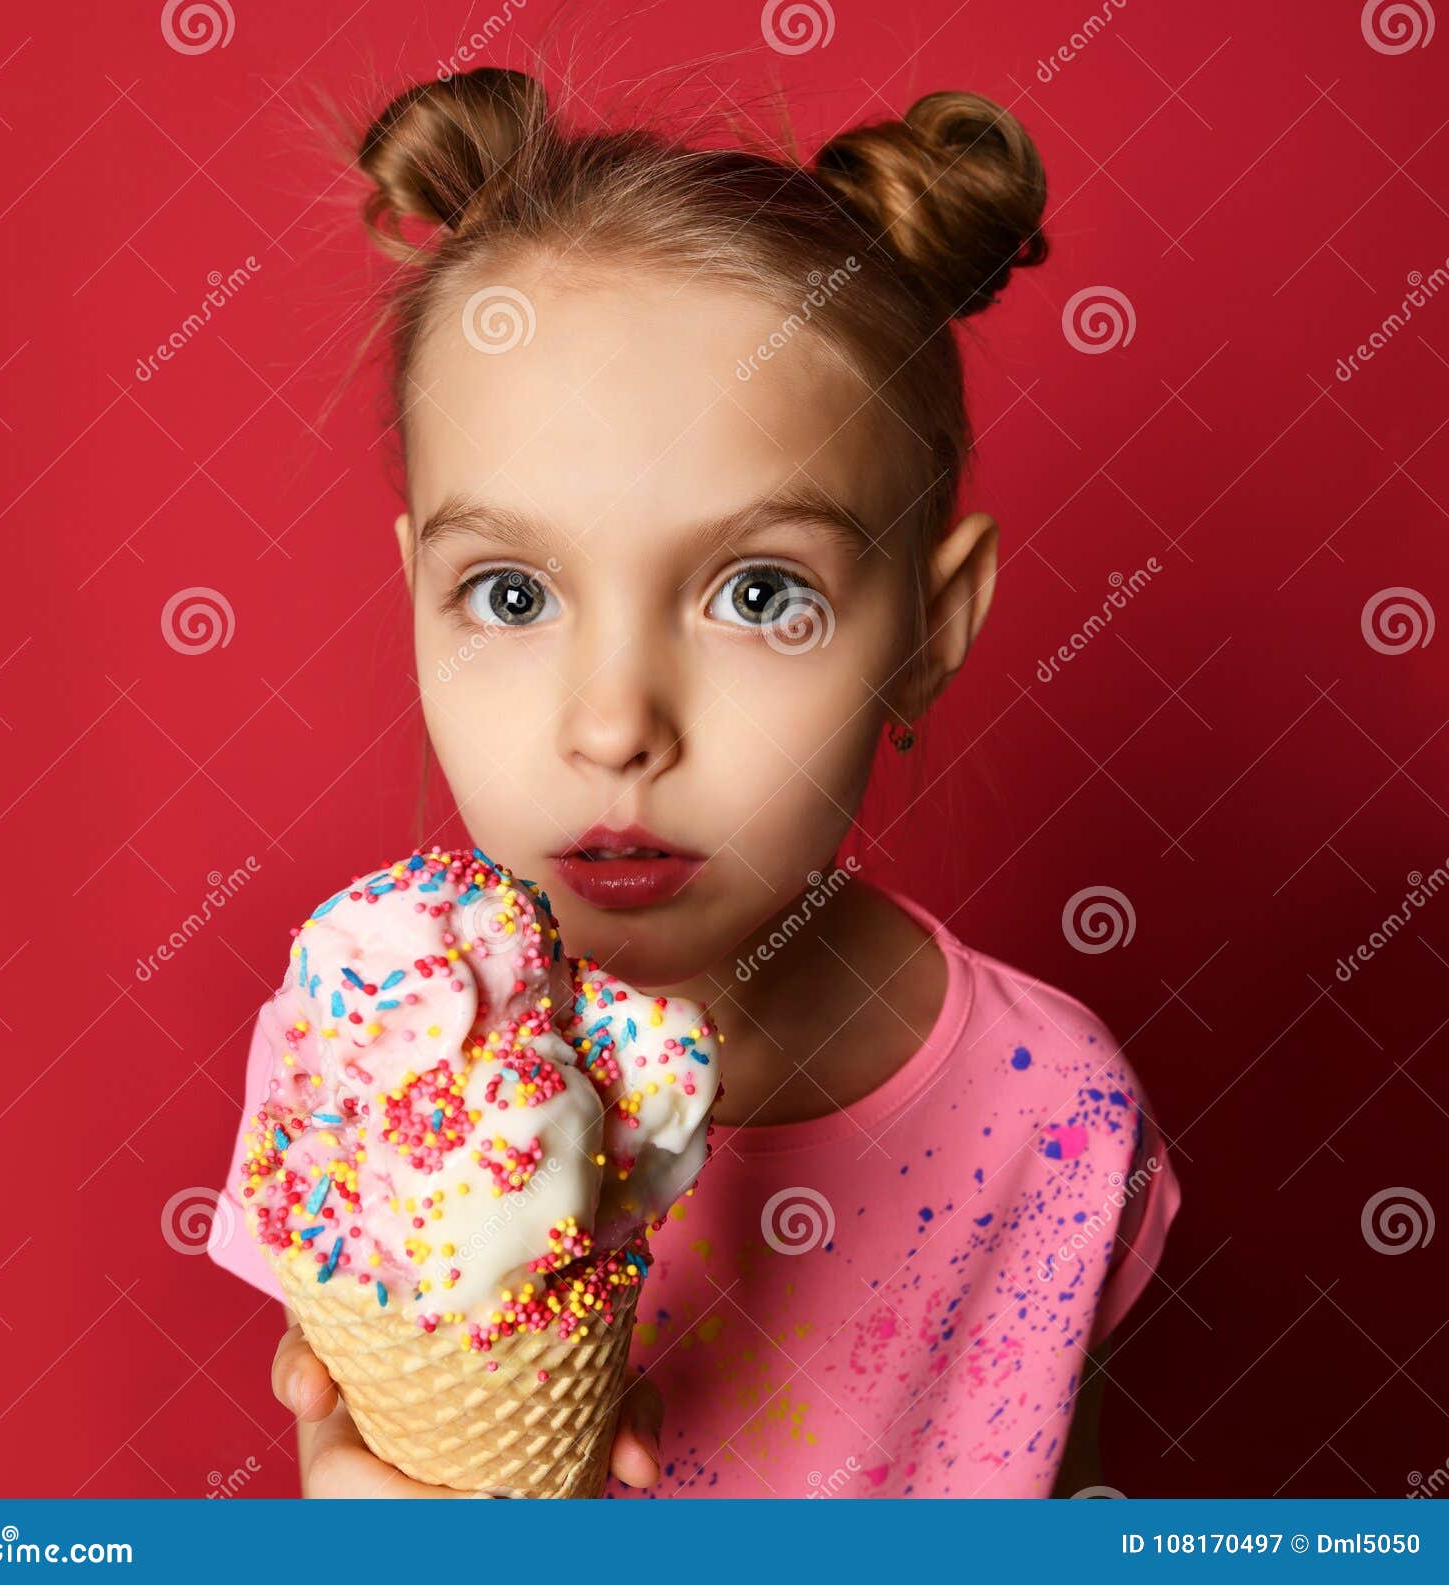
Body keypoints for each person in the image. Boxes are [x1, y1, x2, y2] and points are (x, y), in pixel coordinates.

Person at [211, 61, 1181, 1498]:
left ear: (931, 625)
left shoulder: (1060, 1118)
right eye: (514, 595)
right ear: (417, 597)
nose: (615, 725)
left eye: (759, 592)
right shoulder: (353, 1046)